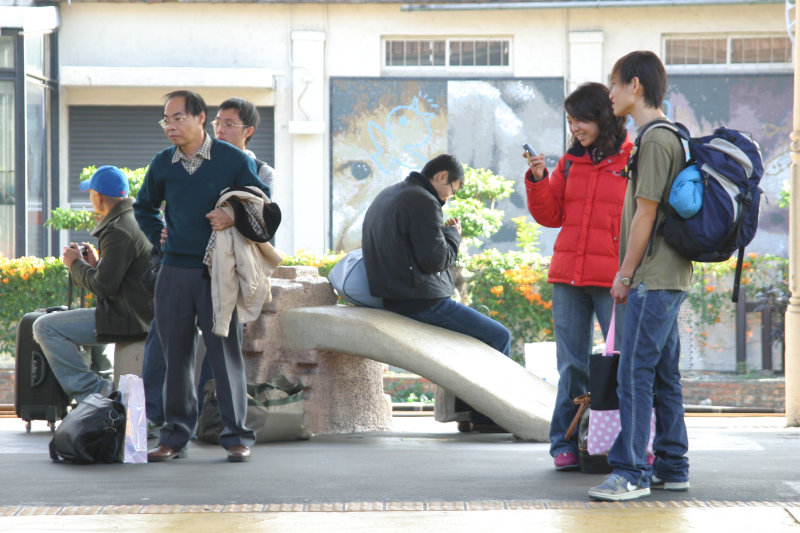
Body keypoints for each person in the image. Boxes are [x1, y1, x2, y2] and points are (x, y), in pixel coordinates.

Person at [134, 90, 271, 463]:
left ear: (199, 118)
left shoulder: (231, 159)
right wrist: (158, 234)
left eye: (177, 117)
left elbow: (263, 202)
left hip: (219, 271)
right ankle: (174, 438)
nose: (170, 126)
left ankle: (237, 437)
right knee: (174, 354)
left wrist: (233, 217)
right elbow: (142, 207)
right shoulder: (163, 163)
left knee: (224, 355)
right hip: (173, 271)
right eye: (166, 119)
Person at [588, 51, 692, 501]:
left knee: (635, 373)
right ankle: (673, 464)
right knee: (664, 374)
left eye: (613, 84)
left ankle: (631, 471)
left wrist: (624, 276)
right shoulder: (671, 136)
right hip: (670, 275)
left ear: (635, 85)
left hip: (652, 276)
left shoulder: (654, 140)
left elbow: (645, 216)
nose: (609, 94)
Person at [524, 82, 632, 471]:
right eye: (570, 121)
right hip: (569, 276)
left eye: (581, 120)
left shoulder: (631, 159)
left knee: (620, 364)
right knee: (571, 366)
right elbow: (551, 216)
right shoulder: (569, 162)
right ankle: (565, 443)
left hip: (613, 279)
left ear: (603, 117)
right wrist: (538, 179)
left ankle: (619, 443)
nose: (575, 128)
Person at [361, 153, 512, 429]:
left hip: (394, 294)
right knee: (499, 336)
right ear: (442, 176)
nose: (447, 198)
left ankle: (469, 415)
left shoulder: (390, 193)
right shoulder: (423, 201)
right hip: (419, 301)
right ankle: (491, 417)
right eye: (451, 190)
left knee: (472, 336)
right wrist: (454, 235)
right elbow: (435, 261)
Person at [32, 165, 153, 403]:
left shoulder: (118, 230)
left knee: (44, 327)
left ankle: (95, 389)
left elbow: (103, 287)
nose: (90, 198)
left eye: (90, 193)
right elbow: (120, 277)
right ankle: (101, 383)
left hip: (128, 318)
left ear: (98, 196)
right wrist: (96, 265)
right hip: (139, 312)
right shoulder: (134, 218)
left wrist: (75, 263)